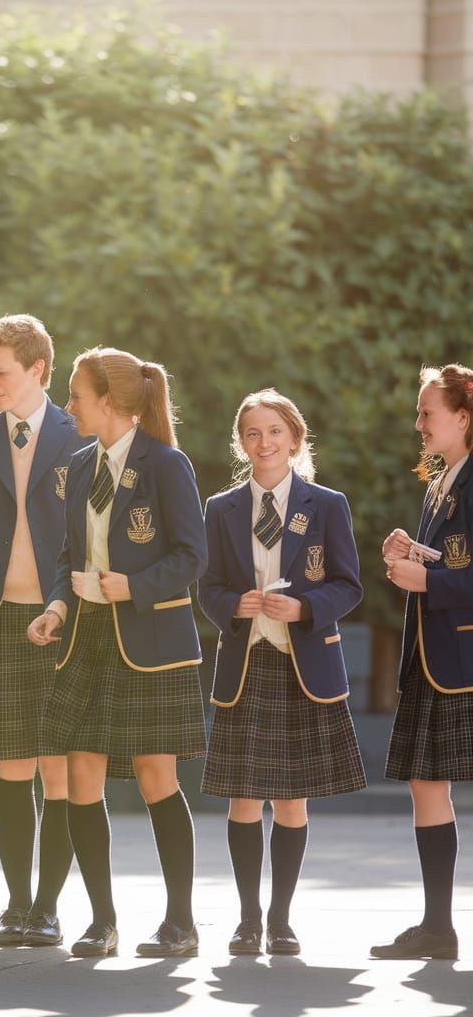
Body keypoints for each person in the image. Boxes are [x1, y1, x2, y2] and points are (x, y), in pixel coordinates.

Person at [28, 347, 207, 959]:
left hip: (149, 639)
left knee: (158, 775)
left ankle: (180, 922)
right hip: (86, 637)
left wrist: (132, 586)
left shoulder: (167, 464)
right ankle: (102, 922)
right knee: (82, 774)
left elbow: (191, 556)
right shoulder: (78, 466)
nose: (68, 404)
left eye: (76, 394)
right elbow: (65, 559)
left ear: (109, 400)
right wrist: (55, 607)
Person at [198, 388, 366, 957]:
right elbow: (209, 586)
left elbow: (348, 585)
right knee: (243, 799)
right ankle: (247, 920)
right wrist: (231, 605)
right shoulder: (221, 508)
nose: (263, 442)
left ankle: (282, 919)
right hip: (246, 666)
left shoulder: (328, 504)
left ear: (294, 438)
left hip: (304, 669)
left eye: (274, 431)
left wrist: (306, 608)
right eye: (252, 433)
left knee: (292, 800)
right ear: (241, 443)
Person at [0, 314, 88, 948]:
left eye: (2, 372)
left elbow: (90, 541)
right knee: (11, 768)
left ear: (38, 370)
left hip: (65, 620)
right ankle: (13, 904)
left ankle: (48, 907)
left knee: (57, 770)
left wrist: (64, 606)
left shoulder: (79, 436)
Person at [372, 363, 473, 961]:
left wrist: (427, 581)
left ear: (463, 416)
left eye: (426, 412)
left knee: (427, 782)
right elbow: (451, 563)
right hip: (438, 661)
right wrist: (413, 554)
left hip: (462, 659)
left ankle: (438, 929)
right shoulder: (441, 483)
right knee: (424, 782)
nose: (418, 423)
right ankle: (437, 929)